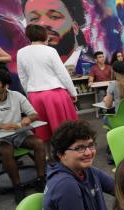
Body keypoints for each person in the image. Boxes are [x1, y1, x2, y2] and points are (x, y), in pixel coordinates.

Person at [42, 120, 114, 210]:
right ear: (61, 154)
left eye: (90, 145)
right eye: (79, 148)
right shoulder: (65, 186)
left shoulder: (87, 170)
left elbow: (120, 188)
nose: (88, 152)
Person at [16, 24, 78, 155]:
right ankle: (65, 155)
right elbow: (62, 73)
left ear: (29, 36)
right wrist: (73, 92)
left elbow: (23, 77)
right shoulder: (50, 51)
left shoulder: (21, 53)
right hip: (54, 94)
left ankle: (47, 158)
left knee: (42, 131)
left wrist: (29, 95)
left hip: (35, 96)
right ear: (44, 36)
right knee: (63, 129)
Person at [0, 68, 46, 203]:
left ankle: (41, 179)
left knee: (38, 143)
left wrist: (27, 119)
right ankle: (18, 186)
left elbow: (34, 114)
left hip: (18, 133)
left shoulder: (16, 96)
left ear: (6, 86)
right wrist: (1, 126)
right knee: (6, 150)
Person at [22, 0, 91, 72]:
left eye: (54, 17)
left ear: (75, 27)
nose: (43, 24)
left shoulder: (87, 65)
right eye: (34, 18)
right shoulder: (30, 68)